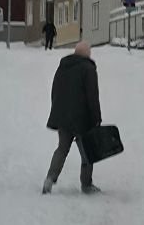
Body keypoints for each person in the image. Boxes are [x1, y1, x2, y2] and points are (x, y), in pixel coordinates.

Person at [43, 42, 102, 195]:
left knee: (62, 149)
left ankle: (49, 179)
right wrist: (96, 118)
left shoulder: (63, 67)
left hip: (63, 117)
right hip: (82, 119)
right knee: (88, 152)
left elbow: (55, 90)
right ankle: (86, 185)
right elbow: (92, 96)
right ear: (87, 54)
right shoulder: (88, 69)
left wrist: (58, 110)